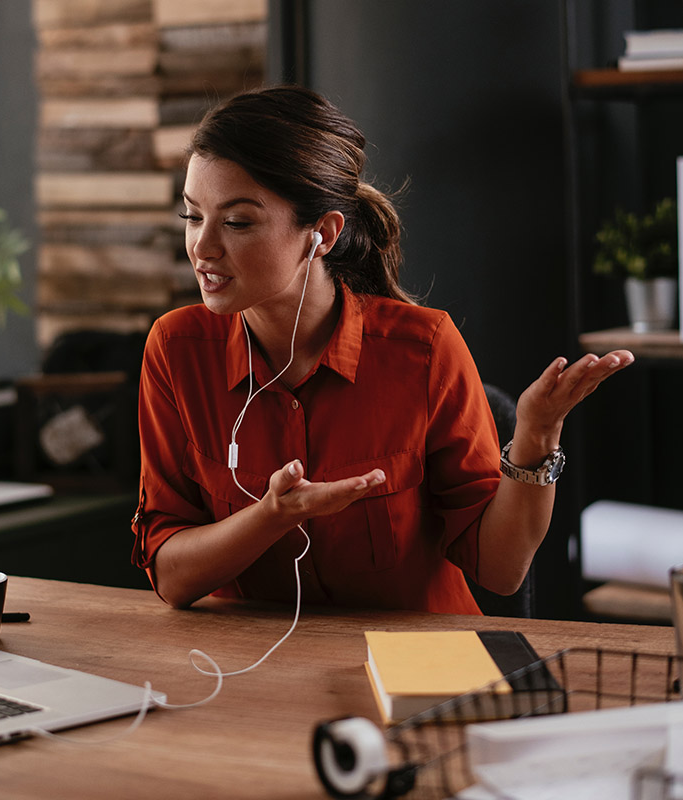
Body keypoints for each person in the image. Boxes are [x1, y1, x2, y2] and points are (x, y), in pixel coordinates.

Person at [131, 85, 633, 614]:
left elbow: (502, 571)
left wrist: (534, 437)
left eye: (237, 222)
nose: (202, 247)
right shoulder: (176, 349)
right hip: (254, 676)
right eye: (192, 216)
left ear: (320, 233)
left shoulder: (424, 349)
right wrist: (272, 516)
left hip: (420, 671)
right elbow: (171, 576)